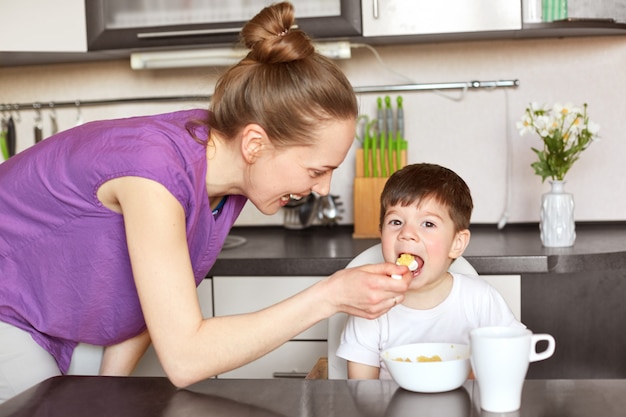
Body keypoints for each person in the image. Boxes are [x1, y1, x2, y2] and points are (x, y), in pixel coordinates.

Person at [0, 2, 412, 403]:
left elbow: (154, 303)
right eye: (316, 170)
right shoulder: (155, 171)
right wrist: (330, 295)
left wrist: (108, 392)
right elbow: (185, 357)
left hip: (59, 320)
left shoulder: (225, 182)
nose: (322, 188)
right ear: (254, 143)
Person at [336, 163, 524, 379]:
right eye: (396, 221)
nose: (407, 233)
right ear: (381, 235)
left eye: (427, 223)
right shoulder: (371, 307)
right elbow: (362, 391)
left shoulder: (481, 300)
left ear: (457, 243)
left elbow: (512, 358)